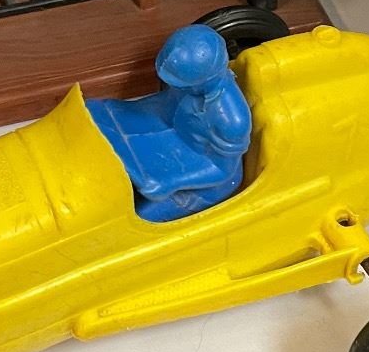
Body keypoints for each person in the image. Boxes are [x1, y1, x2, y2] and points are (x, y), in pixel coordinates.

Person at [87, 24, 253, 223]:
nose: (175, 86)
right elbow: (162, 104)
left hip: (207, 184)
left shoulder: (233, 122)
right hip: (171, 138)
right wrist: (114, 111)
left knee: (139, 218)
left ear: (203, 79)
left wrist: (169, 183)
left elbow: (222, 169)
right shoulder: (191, 86)